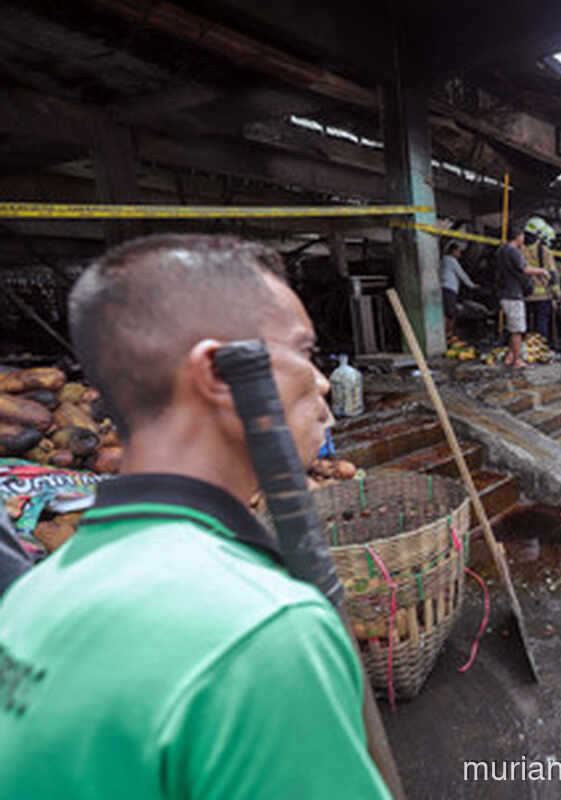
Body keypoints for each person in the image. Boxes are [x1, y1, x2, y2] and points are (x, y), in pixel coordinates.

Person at [0, 234, 391, 798]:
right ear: (219, 373)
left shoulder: (31, 603)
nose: (323, 380)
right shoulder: (264, 630)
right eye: (303, 352)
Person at [495, 226, 550, 368]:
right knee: (518, 331)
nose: (524, 239)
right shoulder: (513, 251)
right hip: (513, 295)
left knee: (512, 328)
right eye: (522, 236)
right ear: (518, 237)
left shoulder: (501, 250)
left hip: (504, 294)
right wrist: (542, 271)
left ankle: (510, 355)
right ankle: (517, 361)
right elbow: (524, 269)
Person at [520, 216, 557, 341]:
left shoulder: (519, 249)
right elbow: (552, 274)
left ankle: (524, 348)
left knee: (523, 324)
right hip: (542, 296)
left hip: (524, 293)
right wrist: (557, 294)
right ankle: (540, 349)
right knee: (541, 323)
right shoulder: (544, 250)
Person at [439, 240, 477, 339]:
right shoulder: (451, 260)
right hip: (450, 290)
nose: (460, 254)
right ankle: (448, 334)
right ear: (453, 251)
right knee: (451, 314)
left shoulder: (443, 260)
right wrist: (472, 286)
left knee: (446, 312)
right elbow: (462, 274)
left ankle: (445, 334)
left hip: (444, 288)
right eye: (459, 251)